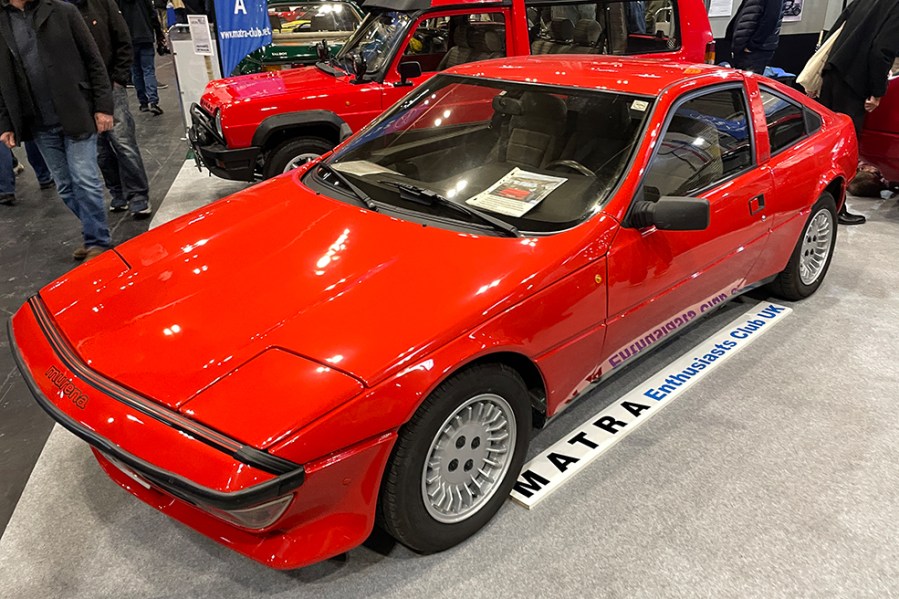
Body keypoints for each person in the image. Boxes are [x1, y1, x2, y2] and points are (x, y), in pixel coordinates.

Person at [0, 0, 115, 261]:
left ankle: (98, 242)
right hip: (38, 122)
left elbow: (93, 59)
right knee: (65, 186)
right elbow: (2, 80)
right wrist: (5, 124)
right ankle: (93, 231)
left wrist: (103, 107)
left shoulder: (63, 11)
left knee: (84, 179)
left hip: (76, 111)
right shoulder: (2, 21)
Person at [817, 0, 899, 225]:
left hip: (833, 72)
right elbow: (882, 50)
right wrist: (877, 91)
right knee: (846, 147)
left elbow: (836, 30)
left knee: (827, 143)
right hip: (854, 82)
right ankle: (837, 206)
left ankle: (823, 202)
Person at [72, 0, 153, 217]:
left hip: (109, 84)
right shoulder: (57, 10)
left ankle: (138, 195)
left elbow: (123, 41)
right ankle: (117, 192)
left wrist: (118, 79)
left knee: (123, 141)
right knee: (101, 148)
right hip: (81, 92)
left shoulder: (102, 4)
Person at [117, 0, 164, 115]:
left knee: (136, 71)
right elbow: (152, 14)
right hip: (145, 36)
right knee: (148, 70)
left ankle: (143, 102)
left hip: (129, 39)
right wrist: (159, 34)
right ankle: (153, 101)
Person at [725, 0, 785, 73]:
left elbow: (771, 19)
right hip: (743, 47)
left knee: (748, 81)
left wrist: (752, 45)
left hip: (755, 50)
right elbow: (744, 13)